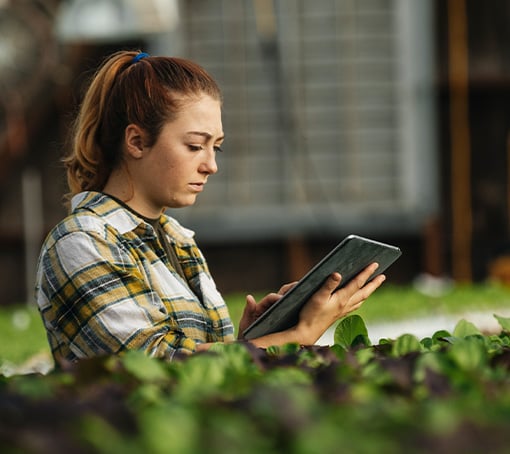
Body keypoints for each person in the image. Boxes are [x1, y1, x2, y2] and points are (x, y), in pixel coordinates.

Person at [35, 50, 386, 365]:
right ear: (137, 141)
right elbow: (156, 368)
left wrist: (252, 338)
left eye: (215, 148)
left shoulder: (176, 239)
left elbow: (202, 368)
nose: (210, 165)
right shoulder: (81, 242)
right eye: (194, 146)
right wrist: (297, 337)